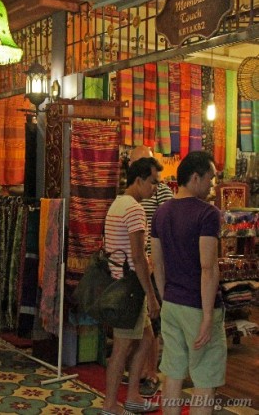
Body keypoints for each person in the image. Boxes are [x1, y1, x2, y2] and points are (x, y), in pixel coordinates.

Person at [151, 151, 225, 415]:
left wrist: (165, 296)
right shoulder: (207, 214)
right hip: (198, 305)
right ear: (195, 178)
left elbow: (157, 264)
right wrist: (207, 316)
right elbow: (208, 267)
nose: (213, 184)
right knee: (205, 379)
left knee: (173, 374)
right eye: (211, 178)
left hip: (172, 302)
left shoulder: (161, 213)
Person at [102, 157, 161, 415]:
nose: (155, 188)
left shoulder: (117, 203)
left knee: (146, 339)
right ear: (139, 180)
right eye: (152, 182)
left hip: (120, 283)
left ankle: (133, 396)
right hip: (131, 288)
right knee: (122, 348)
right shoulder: (135, 209)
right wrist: (151, 294)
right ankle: (110, 405)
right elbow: (138, 257)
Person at [125, 146, 174, 397]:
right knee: (140, 320)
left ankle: (151, 372)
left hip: (152, 263)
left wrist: (157, 258)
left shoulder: (160, 191)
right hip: (139, 263)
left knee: (151, 321)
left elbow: (168, 226)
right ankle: (140, 368)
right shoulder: (133, 194)